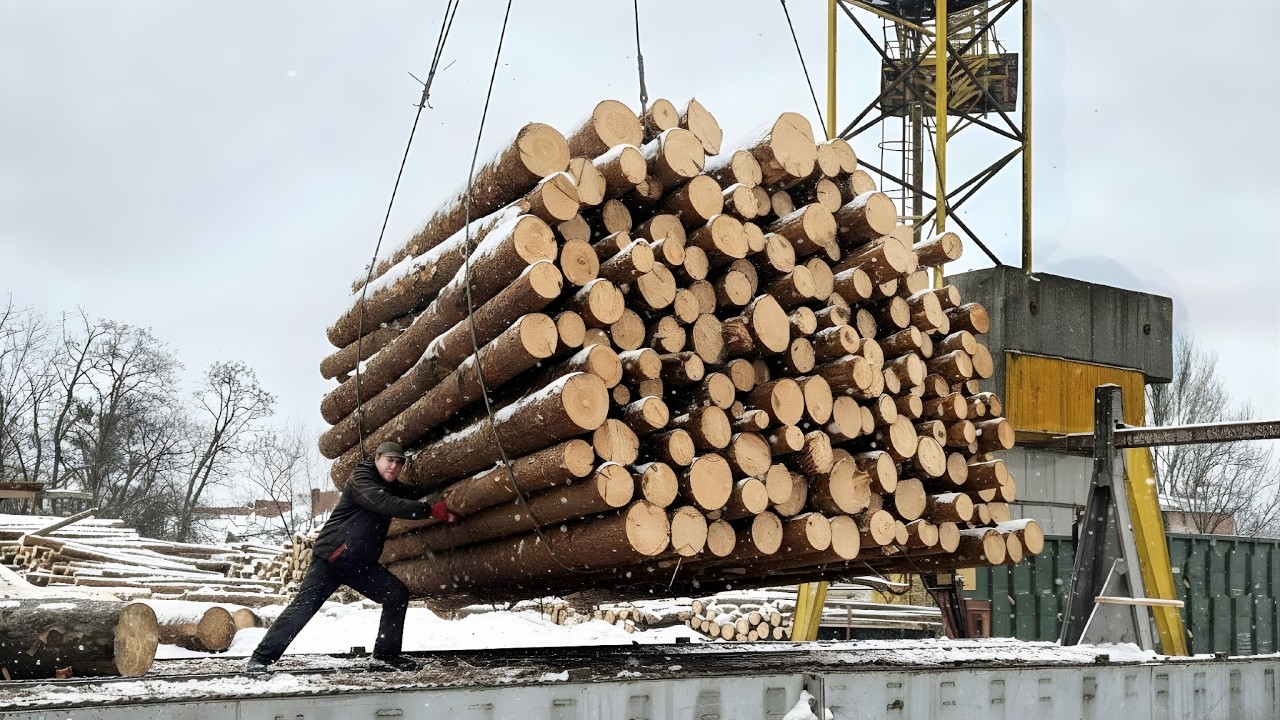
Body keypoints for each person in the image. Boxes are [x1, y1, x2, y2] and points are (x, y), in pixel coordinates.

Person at [245, 441, 456, 673]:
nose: (393, 467)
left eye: (398, 463)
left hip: (360, 565)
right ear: (377, 459)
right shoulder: (362, 480)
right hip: (332, 560)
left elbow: (412, 493)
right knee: (303, 608)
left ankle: (385, 657)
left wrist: (447, 483)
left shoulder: (389, 485)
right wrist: (428, 511)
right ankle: (261, 659)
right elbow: (383, 502)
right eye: (389, 460)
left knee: (396, 595)